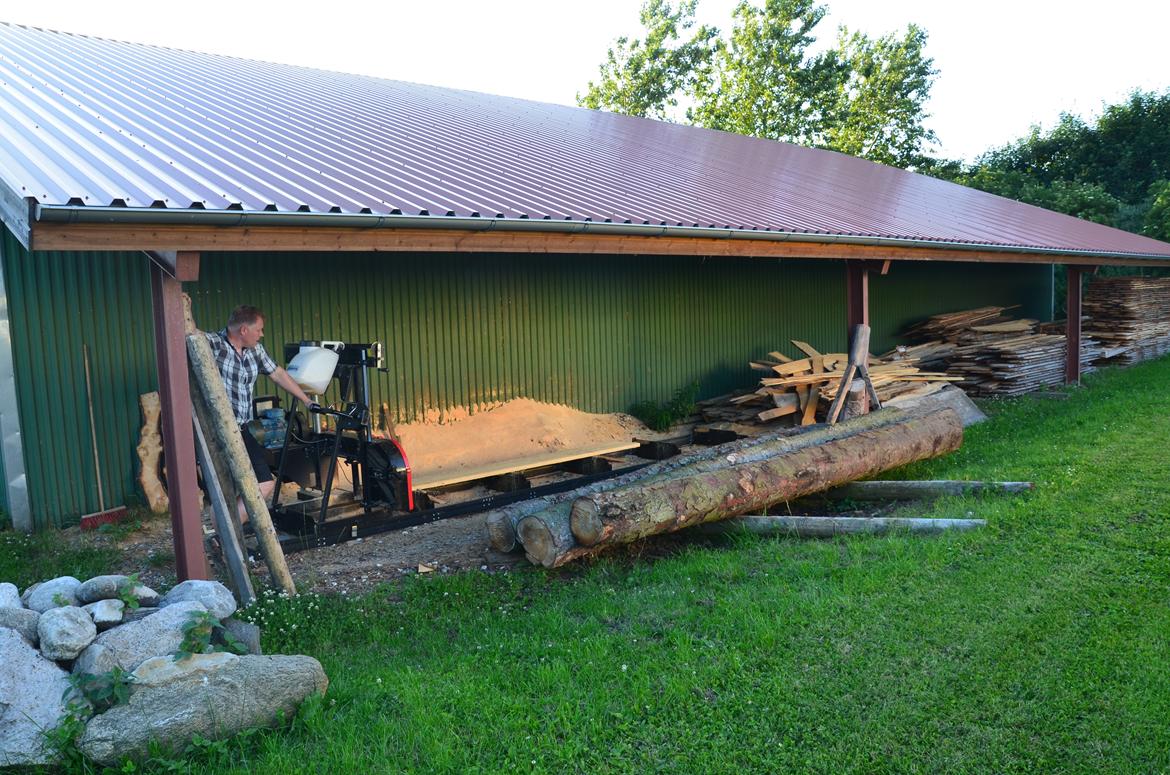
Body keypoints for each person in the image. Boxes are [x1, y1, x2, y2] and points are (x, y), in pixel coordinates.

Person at [205, 305, 317, 526]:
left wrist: (306, 400)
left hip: (242, 428)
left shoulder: (255, 350)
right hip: (218, 429)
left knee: (246, 486)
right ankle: (229, 533)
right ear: (244, 330)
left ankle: (222, 534)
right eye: (259, 329)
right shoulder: (213, 345)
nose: (262, 334)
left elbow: (277, 373)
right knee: (255, 484)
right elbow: (187, 341)